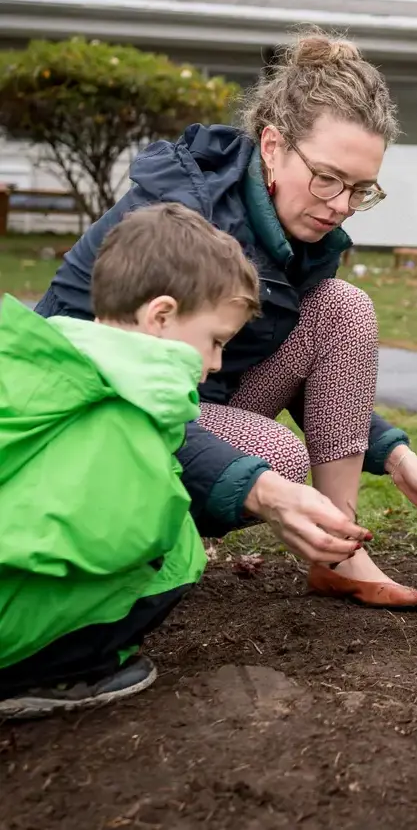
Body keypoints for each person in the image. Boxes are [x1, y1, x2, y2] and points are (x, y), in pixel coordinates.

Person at [34, 27, 417, 610]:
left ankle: (337, 543)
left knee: (344, 308)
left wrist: (391, 451)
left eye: (360, 190)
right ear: (271, 147)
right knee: (274, 457)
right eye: (328, 177)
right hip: (92, 423)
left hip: (202, 401)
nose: (340, 204)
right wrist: (257, 484)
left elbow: (294, 359)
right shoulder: (179, 229)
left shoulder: (304, 233)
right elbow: (113, 392)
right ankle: (126, 557)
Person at [0, 204, 337, 718]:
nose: (217, 362)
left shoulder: (51, 365)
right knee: (177, 545)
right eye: (216, 342)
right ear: (160, 316)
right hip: (10, 628)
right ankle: (50, 673)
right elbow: (127, 535)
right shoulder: (127, 414)